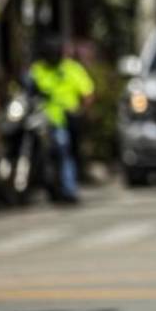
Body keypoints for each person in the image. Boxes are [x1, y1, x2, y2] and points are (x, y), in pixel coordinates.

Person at [29, 35, 94, 204]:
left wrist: (81, 112)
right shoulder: (38, 70)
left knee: (64, 153)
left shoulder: (70, 69)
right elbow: (24, 87)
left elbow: (88, 93)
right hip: (39, 120)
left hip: (62, 121)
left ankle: (68, 189)